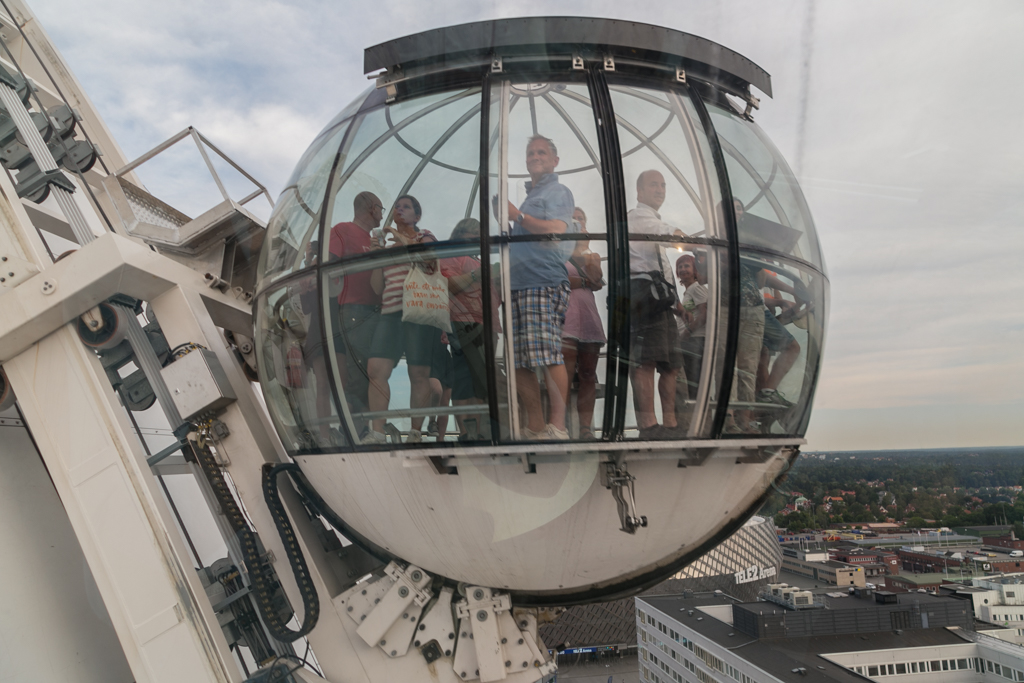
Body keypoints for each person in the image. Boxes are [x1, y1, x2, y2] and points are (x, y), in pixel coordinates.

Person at [506, 135, 577, 440]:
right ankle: (536, 427)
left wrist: (517, 216)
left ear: (555, 161)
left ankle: (558, 427)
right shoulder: (531, 195)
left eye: (541, 152)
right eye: (530, 152)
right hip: (520, 283)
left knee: (547, 354)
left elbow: (556, 230)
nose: (535, 156)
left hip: (541, 281)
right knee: (520, 358)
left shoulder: (557, 191)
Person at [363, 195, 439, 444]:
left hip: (417, 311)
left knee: (419, 374)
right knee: (376, 369)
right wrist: (376, 259)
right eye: (397, 206)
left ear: (417, 216)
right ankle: (377, 431)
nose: (399, 210)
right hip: (391, 312)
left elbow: (430, 260)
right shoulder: (388, 247)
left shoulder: (423, 236)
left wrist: (403, 240)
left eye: (406, 207)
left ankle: (415, 432)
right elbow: (375, 287)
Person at [627, 170, 687, 439]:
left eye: (663, 185)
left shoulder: (650, 219)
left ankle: (671, 424)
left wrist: (676, 303)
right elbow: (665, 234)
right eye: (654, 185)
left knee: (671, 365)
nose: (660, 189)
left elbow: (660, 264)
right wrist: (683, 239)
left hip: (661, 300)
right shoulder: (639, 217)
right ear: (639, 192)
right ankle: (649, 426)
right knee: (646, 362)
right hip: (643, 298)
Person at [327, 192, 384, 420]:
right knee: (359, 370)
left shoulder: (372, 240)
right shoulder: (343, 230)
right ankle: (359, 426)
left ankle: (369, 425)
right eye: (381, 208)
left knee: (374, 370)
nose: (381, 214)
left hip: (375, 312)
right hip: (355, 310)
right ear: (372, 207)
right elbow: (330, 265)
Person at [440, 218, 499, 440]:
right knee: (464, 379)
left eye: (479, 233)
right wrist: (478, 275)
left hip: (487, 325)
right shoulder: (449, 256)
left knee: (481, 381)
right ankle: (466, 433)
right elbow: (447, 286)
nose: (476, 237)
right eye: (471, 233)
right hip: (463, 323)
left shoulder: (477, 259)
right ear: (459, 235)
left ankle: (480, 431)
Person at [561, 207, 605, 440]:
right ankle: (563, 425)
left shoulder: (592, 255)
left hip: (588, 318)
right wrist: (585, 281)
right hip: (566, 318)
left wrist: (584, 250)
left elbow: (596, 279)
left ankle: (586, 429)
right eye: (573, 218)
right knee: (565, 374)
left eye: (581, 219)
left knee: (588, 373)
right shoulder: (557, 252)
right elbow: (559, 280)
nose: (578, 222)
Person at [674, 252, 707, 432]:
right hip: (688, 341)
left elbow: (705, 314)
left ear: (695, 270)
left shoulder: (697, 288)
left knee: (695, 383)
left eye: (687, 266)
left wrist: (687, 333)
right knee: (690, 383)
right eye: (680, 267)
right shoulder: (688, 292)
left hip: (695, 341)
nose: (683, 269)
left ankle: (697, 426)